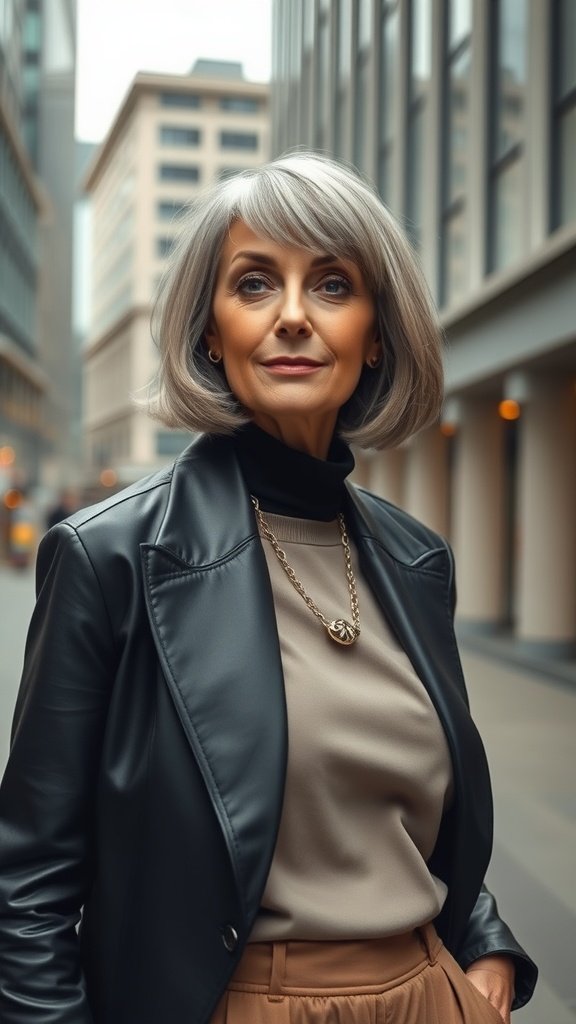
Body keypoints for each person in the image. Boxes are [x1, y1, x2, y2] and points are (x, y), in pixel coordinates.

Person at [0, 154, 537, 1024]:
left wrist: (486, 950)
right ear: (212, 331)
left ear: (376, 334)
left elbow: (418, 821)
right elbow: (28, 888)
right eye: (254, 285)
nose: (293, 317)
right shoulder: (109, 558)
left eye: (331, 285)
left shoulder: (416, 561)